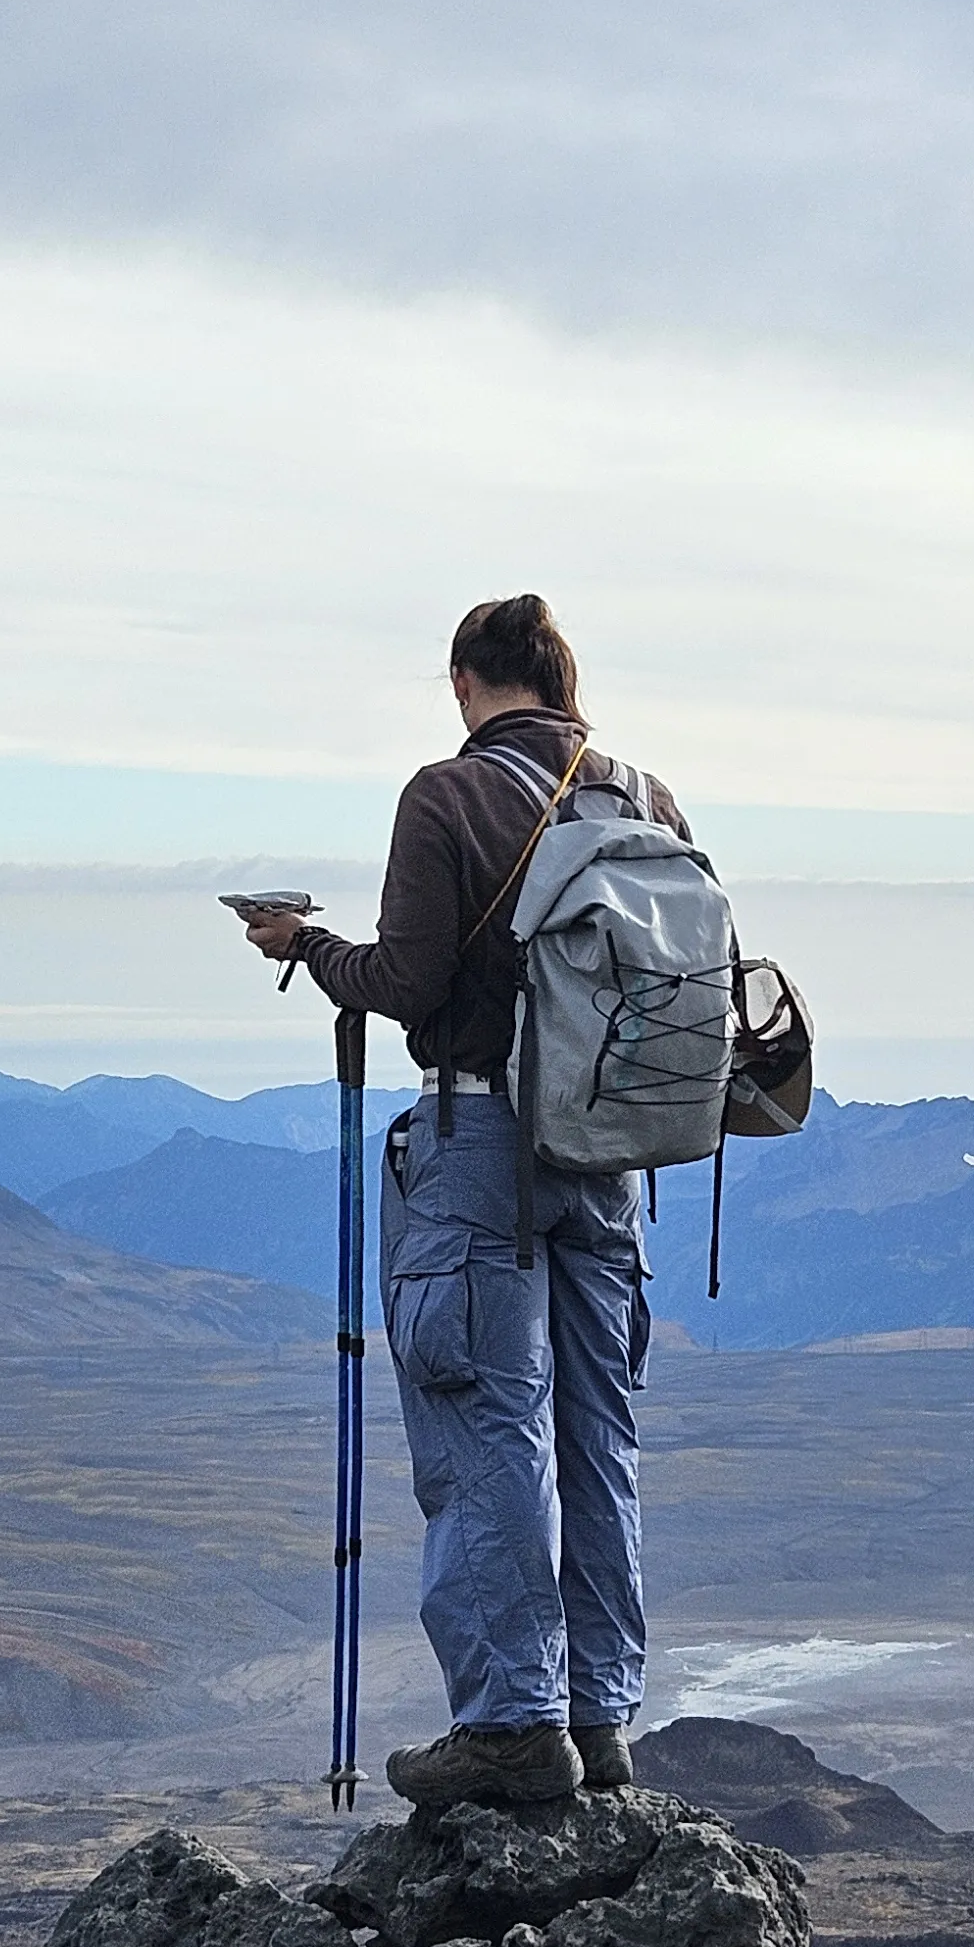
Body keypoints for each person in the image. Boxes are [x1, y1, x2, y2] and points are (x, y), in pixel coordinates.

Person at [234, 594, 691, 1810]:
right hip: (613, 1152)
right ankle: (602, 1716)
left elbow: (408, 977)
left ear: (462, 684)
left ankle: (509, 1720)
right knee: (601, 1438)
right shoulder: (650, 803)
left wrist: (305, 945)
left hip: (477, 1136)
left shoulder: (444, 795)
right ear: (565, 680)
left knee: (486, 1422)